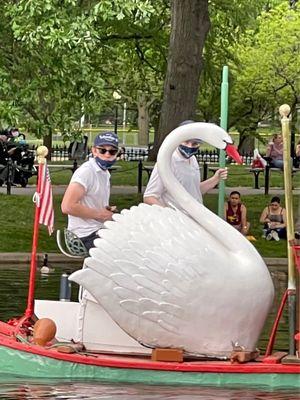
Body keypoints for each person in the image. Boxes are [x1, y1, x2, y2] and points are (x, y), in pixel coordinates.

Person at [143, 121, 228, 210]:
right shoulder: (167, 161)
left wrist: (215, 179)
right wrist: (171, 216)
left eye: (195, 143)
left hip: (194, 217)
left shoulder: (193, 159)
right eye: (186, 142)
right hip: (178, 221)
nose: (190, 147)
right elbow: (149, 197)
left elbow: (193, 191)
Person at [61, 132, 119, 250]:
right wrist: (100, 214)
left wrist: (107, 211)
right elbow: (67, 206)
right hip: (83, 236)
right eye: (103, 150)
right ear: (94, 151)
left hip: (98, 231)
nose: (107, 155)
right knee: (125, 249)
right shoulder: (86, 172)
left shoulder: (105, 173)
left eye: (112, 151)